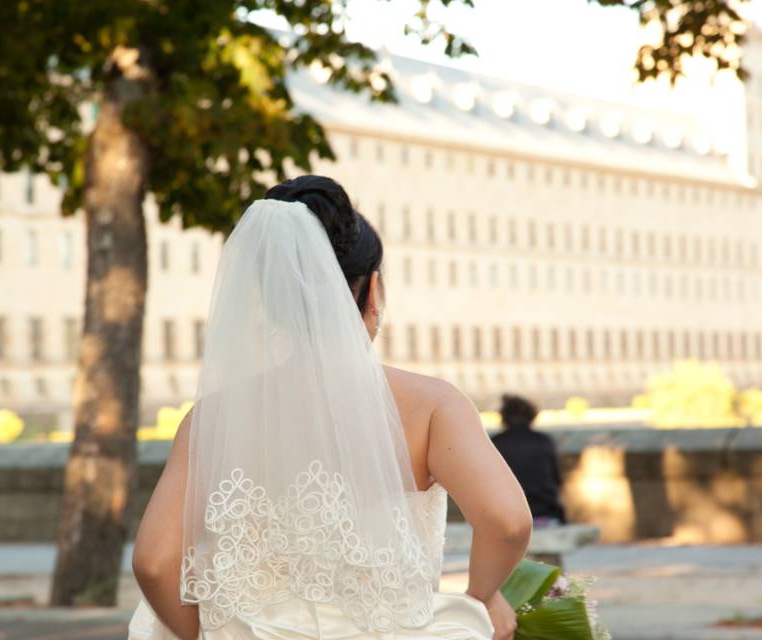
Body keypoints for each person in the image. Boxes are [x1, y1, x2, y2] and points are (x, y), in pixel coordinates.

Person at [128, 176, 532, 640]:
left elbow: (154, 564)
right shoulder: (434, 406)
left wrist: (202, 636)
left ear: (271, 300)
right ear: (374, 290)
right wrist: (483, 598)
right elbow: (508, 521)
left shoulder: (212, 419)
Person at [490, 395, 566, 526]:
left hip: (506, 515)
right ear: (532, 416)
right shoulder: (544, 442)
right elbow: (557, 480)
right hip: (545, 514)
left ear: (504, 417)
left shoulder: (495, 443)